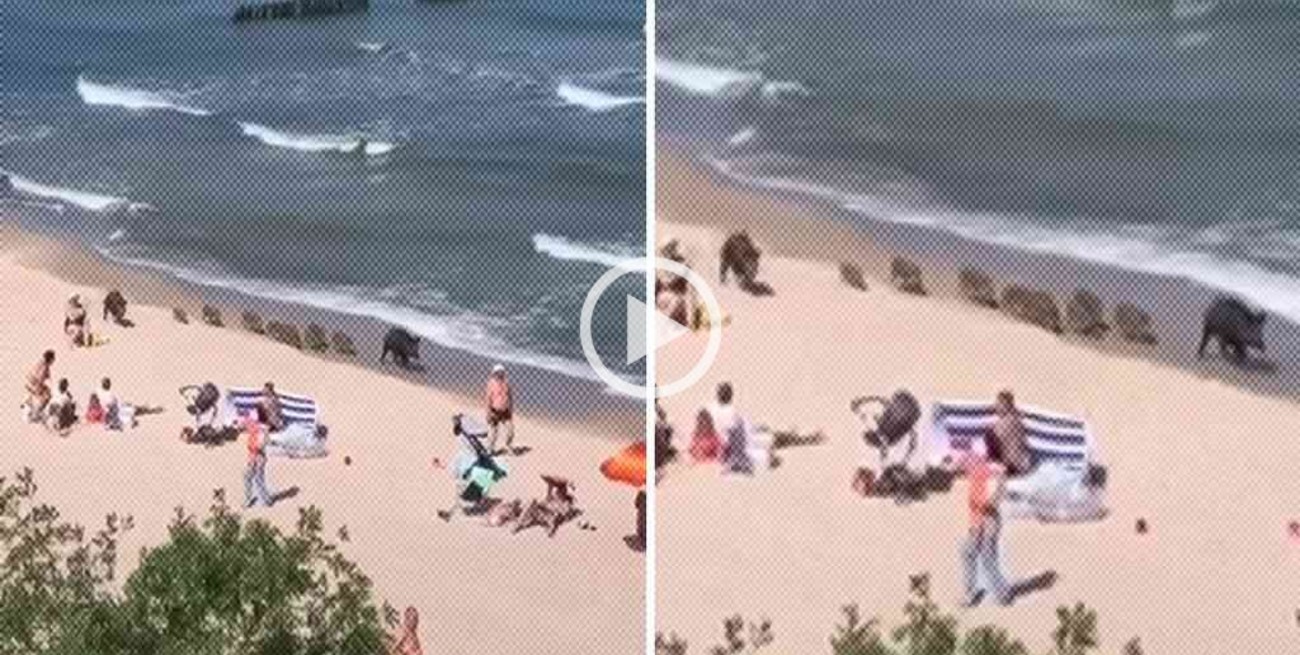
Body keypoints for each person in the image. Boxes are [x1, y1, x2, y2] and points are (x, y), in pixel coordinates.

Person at [961, 445, 1013, 607]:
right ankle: (975, 593)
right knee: (969, 552)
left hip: (987, 518)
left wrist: (990, 504)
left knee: (986, 556)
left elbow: (1001, 486)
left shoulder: (993, 468)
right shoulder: (975, 465)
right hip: (978, 518)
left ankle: (1003, 593)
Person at [990, 390, 1031, 476]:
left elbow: (994, 438)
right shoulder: (1017, 418)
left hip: (1011, 465)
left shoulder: (1008, 421)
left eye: (999, 404)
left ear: (1007, 405)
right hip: (1020, 463)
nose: (996, 407)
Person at [243, 416, 276, 508]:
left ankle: (266, 500)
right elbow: (242, 423)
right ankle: (249, 499)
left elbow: (263, 443)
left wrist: (258, 446)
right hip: (252, 456)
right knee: (247, 477)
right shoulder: (253, 426)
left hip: (259, 457)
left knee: (258, 478)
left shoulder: (263, 429)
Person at [485, 364, 515, 454]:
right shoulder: (491, 383)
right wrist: (488, 412)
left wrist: (511, 408)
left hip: (505, 411)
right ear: (494, 373)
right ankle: (490, 449)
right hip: (494, 411)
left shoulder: (507, 383)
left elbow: (510, 397)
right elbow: (488, 398)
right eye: (497, 372)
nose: (499, 374)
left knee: (510, 430)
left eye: (501, 372)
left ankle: (508, 446)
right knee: (493, 432)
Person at [22, 350, 56, 422]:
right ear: (50, 359)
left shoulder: (40, 362)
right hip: (33, 384)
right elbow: (40, 379)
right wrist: (39, 392)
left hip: (28, 382)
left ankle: (28, 405)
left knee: (45, 391)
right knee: (47, 396)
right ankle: (36, 413)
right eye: (53, 358)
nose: (54, 360)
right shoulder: (44, 367)